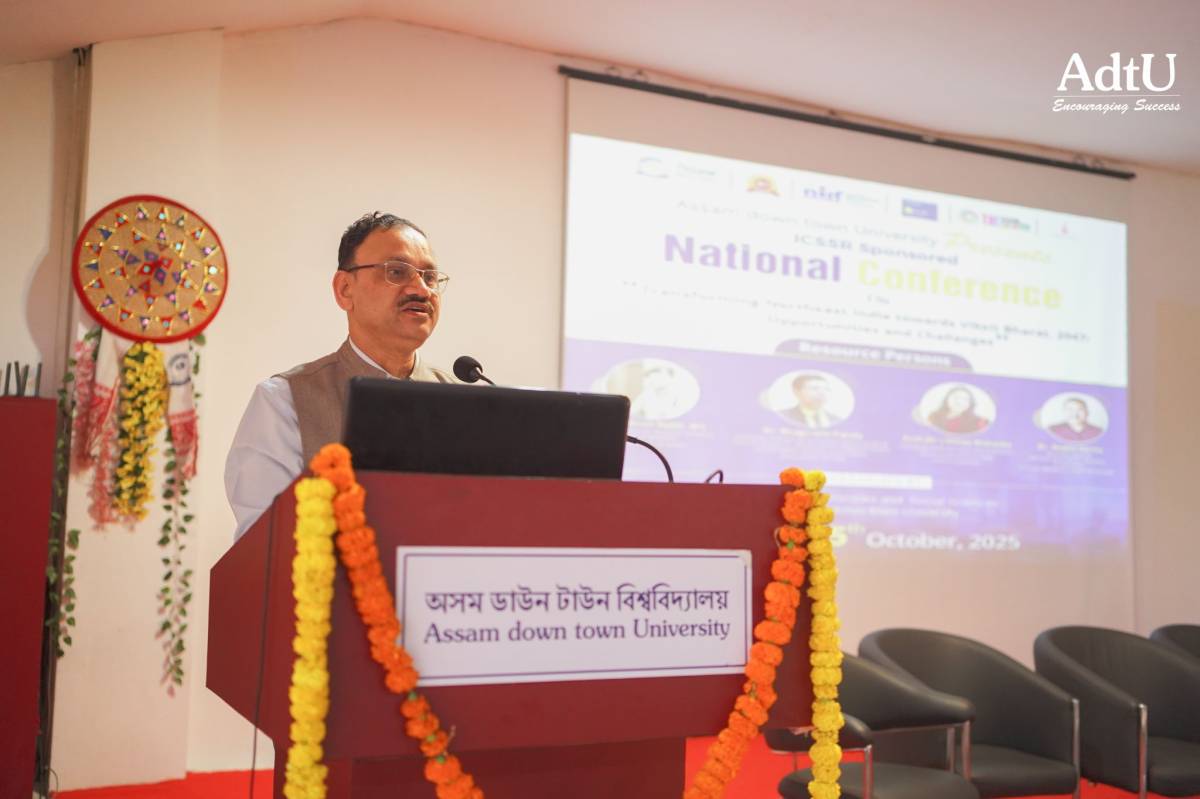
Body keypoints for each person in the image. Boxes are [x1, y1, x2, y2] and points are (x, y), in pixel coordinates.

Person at [225, 212, 455, 537]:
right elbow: (266, 543)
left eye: (430, 277)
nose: (421, 289)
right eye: (396, 271)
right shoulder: (284, 401)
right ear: (345, 289)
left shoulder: (464, 402)